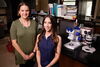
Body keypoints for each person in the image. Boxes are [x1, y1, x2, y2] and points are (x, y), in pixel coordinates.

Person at [10, 2, 37, 67]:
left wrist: (33, 53)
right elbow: (14, 42)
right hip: (21, 55)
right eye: (22, 10)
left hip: (32, 54)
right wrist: (24, 55)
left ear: (29, 11)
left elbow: (37, 39)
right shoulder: (14, 24)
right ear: (19, 11)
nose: (25, 13)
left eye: (27, 10)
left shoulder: (34, 23)